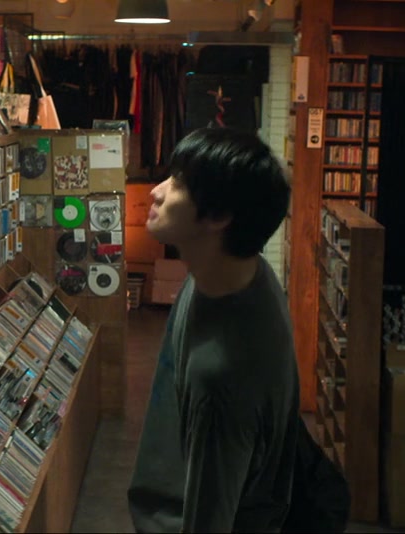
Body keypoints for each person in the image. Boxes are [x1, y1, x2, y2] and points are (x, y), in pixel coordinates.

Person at [128, 127, 302, 533]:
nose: (155, 191)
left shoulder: (224, 374)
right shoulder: (236, 274)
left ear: (219, 216)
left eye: (178, 183)